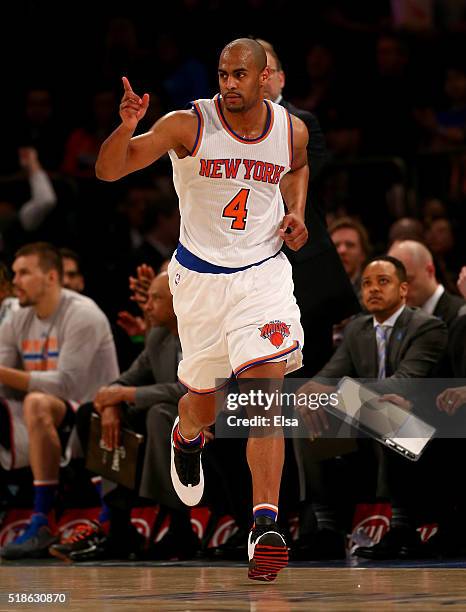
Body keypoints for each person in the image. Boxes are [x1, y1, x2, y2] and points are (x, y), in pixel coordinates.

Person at [96, 38, 309, 582]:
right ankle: (185, 436)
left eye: (240, 74)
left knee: (265, 393)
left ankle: (265, 524)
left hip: (262, 274)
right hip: (199, 280)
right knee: (202, 404)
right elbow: (109, 172)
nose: (229, 83)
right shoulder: (186, 124)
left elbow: (297, 166)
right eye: (222, 73)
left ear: (265, 77)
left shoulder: (292, 130)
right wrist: (125, 127)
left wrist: (296, 213)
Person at [296, 256, 447, 560]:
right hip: (368, 427)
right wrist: (309, 390)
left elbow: (403, 384)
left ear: (403, 289)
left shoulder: (427, 327)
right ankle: (327, 528)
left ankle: (403, 526)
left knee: (374, 405)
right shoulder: (357, 329)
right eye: (366, 283)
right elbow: (328, 375)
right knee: (309, 406)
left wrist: (336, 391)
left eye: (383, 281)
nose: (373, 289)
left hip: (424, 431)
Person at [50, 272, 199, 562]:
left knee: (160, 416)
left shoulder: (202, 334)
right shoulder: (157, 337)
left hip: (211, 421)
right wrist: (109, 405)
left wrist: (125, 396)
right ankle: (120, 528)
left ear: (179, 301)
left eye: (156, 298)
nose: (147, 305)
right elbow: (124, 381)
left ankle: (180, 528)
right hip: (167, 417)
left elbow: (190, 388)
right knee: (88, 413)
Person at [0, 242, 119, 560]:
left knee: (37, 402)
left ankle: (40, 518)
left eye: (24, 273)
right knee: (34, 402)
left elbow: (67, 384)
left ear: (51, 277)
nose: (16, 281)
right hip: (49, 414)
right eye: (14, 273)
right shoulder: (16, 317)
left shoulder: (83, 313)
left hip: (95, 408)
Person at [257, 38, 360, 377]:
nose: (259, 78)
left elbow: (299, 177)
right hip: (253, 260)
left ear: (280, 78)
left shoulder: (301, 123)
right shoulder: (225, 134)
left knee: (309, 367)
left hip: (302, 263)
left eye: (266, 70)